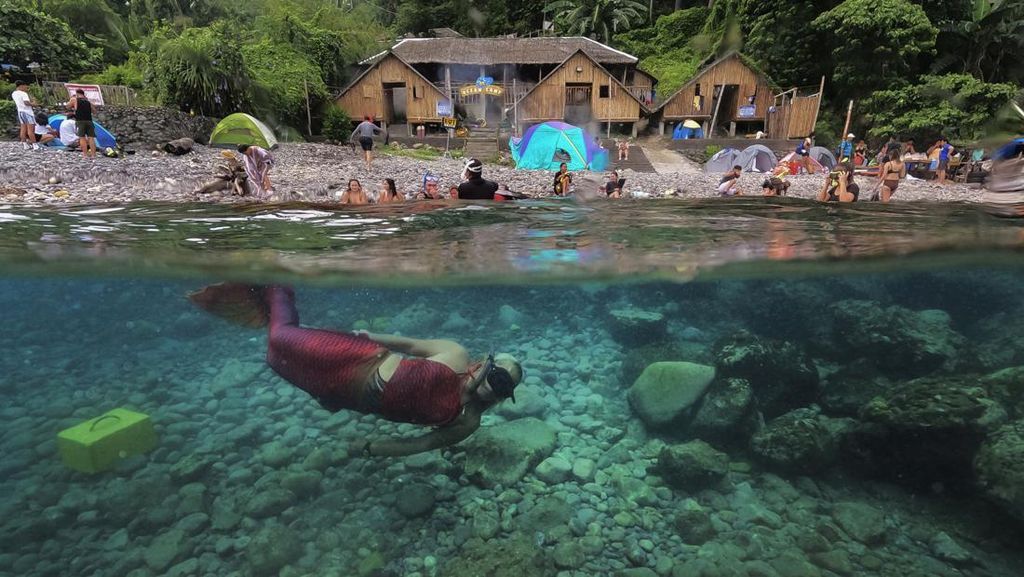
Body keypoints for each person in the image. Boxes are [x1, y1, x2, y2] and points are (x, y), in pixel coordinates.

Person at [188, 284, 524, 457]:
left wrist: (373, 449)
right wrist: (367, 336)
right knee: (279, 339)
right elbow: (407, 344)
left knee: (274, 361)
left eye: (503, 389)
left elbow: (423, 443)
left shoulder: (468, 421)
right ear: (486, 365)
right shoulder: (456, 354)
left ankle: (268, 302)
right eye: (498, 377)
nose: (496, 388)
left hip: (345, 395)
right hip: (359, 358)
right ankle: (276, 288)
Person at [67, 89, 97, 159]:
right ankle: (93, 155)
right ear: (83, 94)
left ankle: (85, 155)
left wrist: (71, 99)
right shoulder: (88, 101)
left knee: (82, 138)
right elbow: (94, 111)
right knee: (91, 138)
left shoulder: (74, 99)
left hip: (80, 121)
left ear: (77, 93)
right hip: (89, 121)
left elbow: (68, 106)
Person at [12, 81, 40, 150]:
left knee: (23, 128)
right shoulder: (24, 93)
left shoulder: (14, 93)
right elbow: (26, 102)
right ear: (21, 86)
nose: (26, 87)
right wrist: (34, 104)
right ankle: (35, 145)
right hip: (28, 112)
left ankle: (25, 145)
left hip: (20, 112)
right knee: (31, 130)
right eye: (25, 86)